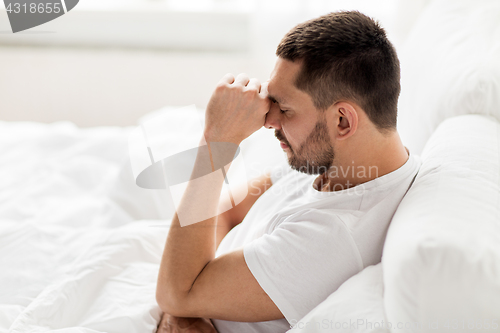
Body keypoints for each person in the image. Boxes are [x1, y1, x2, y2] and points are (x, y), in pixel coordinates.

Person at [155, 10, 421, 333]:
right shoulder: (337, 165)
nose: (269, 120)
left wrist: (216, 144)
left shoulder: (330, 238)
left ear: (343, 121)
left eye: (286, 109)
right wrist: (191, 303)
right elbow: (226, 212)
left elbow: (174, 292)